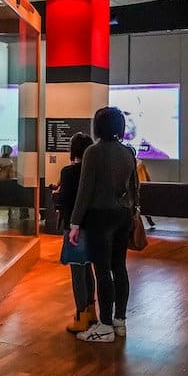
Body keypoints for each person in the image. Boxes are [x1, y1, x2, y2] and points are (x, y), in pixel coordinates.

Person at [68, 106, 140, 343]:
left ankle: (105, 325)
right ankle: (120, 321)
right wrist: (133, 212)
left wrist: (75, 223)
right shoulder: (128, 152)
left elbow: (84, 191)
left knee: (102, 271)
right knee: (119, 267)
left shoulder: (93, 152)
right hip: (123, 215)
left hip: (100, 217)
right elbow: (134, 188)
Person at [52, 132, 96, 333]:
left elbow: (63, 200)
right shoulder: (95, 172)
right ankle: (92, 312)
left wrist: (56, 196)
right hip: (94, 227)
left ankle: (81, 317)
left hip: (74, 228)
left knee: (78, 272)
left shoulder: (68, 173)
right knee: (88, 270)